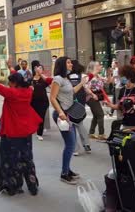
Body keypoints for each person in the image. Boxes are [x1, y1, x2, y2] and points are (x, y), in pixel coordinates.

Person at [0, 70, 42, 195]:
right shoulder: (28, 91)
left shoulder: (12, 93)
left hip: (13, 132)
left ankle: (13, 186)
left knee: (10, 161)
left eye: (10, 83)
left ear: (15, 83)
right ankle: (32, 185)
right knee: (27, 159)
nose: (8, 85)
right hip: (26, 131)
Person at [50, 57, 89, 185]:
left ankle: (67, 170)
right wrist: (60, 112)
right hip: (62, 115)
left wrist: (82, 83)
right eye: (68, 62)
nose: (71, 64)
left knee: (70, 144)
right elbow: (52, 98)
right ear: (62, 65)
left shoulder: (66, 78)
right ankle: (64, 174)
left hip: (69, 114)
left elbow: (71, 92)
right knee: (71, 144)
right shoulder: (58, 79)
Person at [68, 60, 92, 156]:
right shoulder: (82, 76)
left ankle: (75, 148)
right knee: (80, 123)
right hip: (80, 103)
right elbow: (86, 88)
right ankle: (86, 144)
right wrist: (92, 95)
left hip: (69, 102)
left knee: (71, 125)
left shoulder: (67, 76)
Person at [86, 61, 111, 140]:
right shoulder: (90, 77)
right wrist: (93, 94)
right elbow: (86, 87)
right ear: (94, 67)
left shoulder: (98, 76)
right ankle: (101, 134)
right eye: (99, 65)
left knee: (96, 115)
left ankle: (91, 132)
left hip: (96, 97)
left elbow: (108, 81)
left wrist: (109, 74)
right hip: (91, 98)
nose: (101, 66)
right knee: (100, 114)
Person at [30, 61, 52, 141]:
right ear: (35, 69)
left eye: (40, 68)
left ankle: (39, 133)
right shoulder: (31, 79)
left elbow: (50, 84)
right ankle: (35, 128)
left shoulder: (44, 79)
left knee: (41, 117)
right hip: (33, 101)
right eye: (37, 68)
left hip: (43, 102)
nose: (39, 69)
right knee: (34, 117)